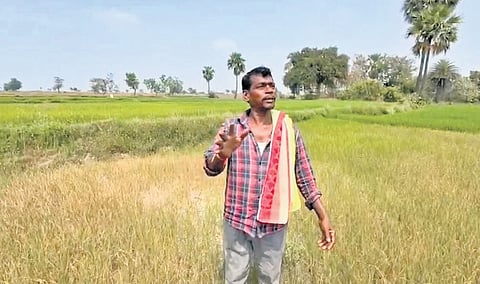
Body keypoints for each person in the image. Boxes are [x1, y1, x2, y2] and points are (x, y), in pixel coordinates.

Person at [203, 66, 335, 284]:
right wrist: (224, 154)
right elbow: (210, 168)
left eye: (272, 86)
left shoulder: (287, 129)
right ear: (246, 95)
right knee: (234, 277)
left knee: (269, 278)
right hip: (238, 219)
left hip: (274, 223)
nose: (269, 91)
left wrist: (323, 215)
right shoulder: (232, 128)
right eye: (261, 86)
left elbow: (304, 174)